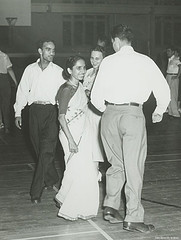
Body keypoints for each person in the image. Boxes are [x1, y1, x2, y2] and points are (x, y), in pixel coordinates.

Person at [91, 24, 170, 233]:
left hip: (108, 116)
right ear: (129, 40)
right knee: (134, 166)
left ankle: (111, 207)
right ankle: (133, 217)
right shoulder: (145, 61)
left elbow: (95, 96)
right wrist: (160, 109)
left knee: (116, 164)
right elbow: (162, 87)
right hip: (132, 114)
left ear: (116, 41)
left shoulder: (107, 62)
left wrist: (106, 111)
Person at [14, 39, 65, 204]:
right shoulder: (30, 70)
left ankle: (35, 192)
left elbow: (65, 95)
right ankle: (51, 177)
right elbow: (22, 91)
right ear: (40, 51)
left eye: (53, 50)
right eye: (48, 49)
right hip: (34, 112)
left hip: (51, 112)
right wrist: (18, 112)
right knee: (39, 151)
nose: (51, 53)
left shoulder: (59, 71)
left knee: (46, 151)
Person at [54, 56, 99, 221]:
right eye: (78, 68)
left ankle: (66, 198)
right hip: (69, 134)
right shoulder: (66, 89)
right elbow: (61, 118)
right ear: (69, 71)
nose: (82, 71)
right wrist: (71, 140)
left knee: (82, 170)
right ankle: (70, 205)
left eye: (83, 67)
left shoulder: (79, 86)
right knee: (76, 168)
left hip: (83, 131)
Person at [83, 46, 105, 169]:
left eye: (97, 58)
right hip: (87, 111)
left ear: (103, 59)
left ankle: (98, 167)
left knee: (98, 141)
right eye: (92, 58)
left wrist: (90, 94)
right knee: (89, 140)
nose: (94, 61)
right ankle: (92, 168)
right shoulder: (87, 72)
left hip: (99, 112)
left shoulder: (105, 73)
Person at [0, 49, 17, 133]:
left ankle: (1, 123)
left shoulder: (4, 56)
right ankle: (7, 126)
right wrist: (15, 82)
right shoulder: (4, 55)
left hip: (4, 80)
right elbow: (9, 69)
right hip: (4, 80)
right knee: (6, 103)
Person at [166, 46, 181, 118]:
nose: (167, 52)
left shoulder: (176, 59)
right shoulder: (170, 59)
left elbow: (180, 68)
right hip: (168, 76)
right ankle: (170, 111)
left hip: (173, 77)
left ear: (173, 52)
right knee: (168, 94)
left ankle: (175, 112)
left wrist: (177, 77)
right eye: (167, 51)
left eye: (169, 51)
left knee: (173, 94)